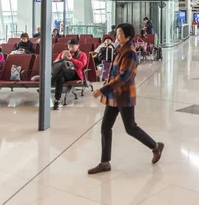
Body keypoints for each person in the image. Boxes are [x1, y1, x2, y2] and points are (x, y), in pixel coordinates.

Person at [88, 23, 164, 175]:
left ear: (128, 36)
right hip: (114, 95)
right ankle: (105, 162)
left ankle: (155, 146)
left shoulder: (130, 53)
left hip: (124, 95)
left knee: (130, 128)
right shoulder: (120, 49)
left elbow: (123, 77)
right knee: (105, 127)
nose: (116, 36)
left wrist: (102, 90)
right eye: (117, 34)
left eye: (119, 34)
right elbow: (114, 72)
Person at [52, 38, 87, 110]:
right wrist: (61, 58)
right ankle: (57, 101)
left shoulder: (82, 54)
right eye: (69, 46)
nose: (71, 48)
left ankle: (51, 81)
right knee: (60, 78)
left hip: (74, 74)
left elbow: (81, 65)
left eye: (73, 46)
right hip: (63, 74)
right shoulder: (63, 53)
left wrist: (71, 59)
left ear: (78, 46)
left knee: (61, 72)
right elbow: (55, 63)